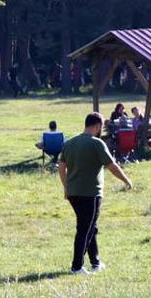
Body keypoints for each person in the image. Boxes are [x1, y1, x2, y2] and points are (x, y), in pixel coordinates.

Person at [58, 112, 133, 274]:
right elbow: (112, 166)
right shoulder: (97, 144)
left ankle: (95, 262)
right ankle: (76, 267)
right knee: (85, 228)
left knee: (91, 227)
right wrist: (127, 180)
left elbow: (61, 166)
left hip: (73, 193)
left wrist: (66, 186)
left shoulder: (69, 143)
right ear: (97, 126)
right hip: (90, 194)